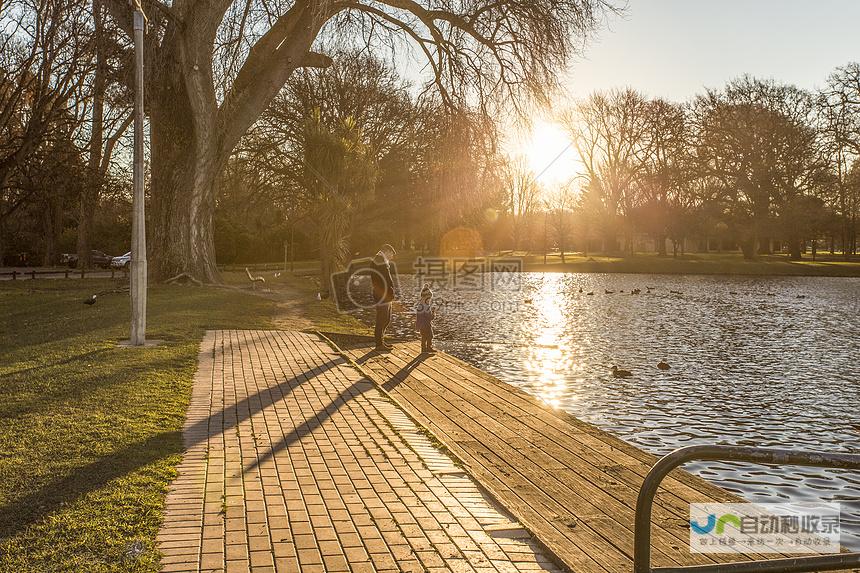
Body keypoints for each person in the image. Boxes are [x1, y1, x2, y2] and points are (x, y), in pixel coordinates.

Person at [370, 244, 397, 351]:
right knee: (382, 319)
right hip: (382, 295)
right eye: (391, 254)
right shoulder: (379, 261)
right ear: (386, 251)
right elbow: (382, 280)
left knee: (386, 319)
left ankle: (381, 341)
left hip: (386, 295)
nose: (392, 256)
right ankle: (379, 344)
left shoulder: (381, 260)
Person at [415, 285, 436, 354]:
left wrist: (417, 326)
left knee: (424, 337)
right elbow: (430, 317)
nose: (429, 301)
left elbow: (418, 316)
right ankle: (428, 348)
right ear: (425, 298)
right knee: (430, 336)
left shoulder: (420, 305)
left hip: (421, 325)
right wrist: (433, 313)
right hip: (426, 324)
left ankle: (423, 348)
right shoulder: (426, 306)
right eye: (429, 299)